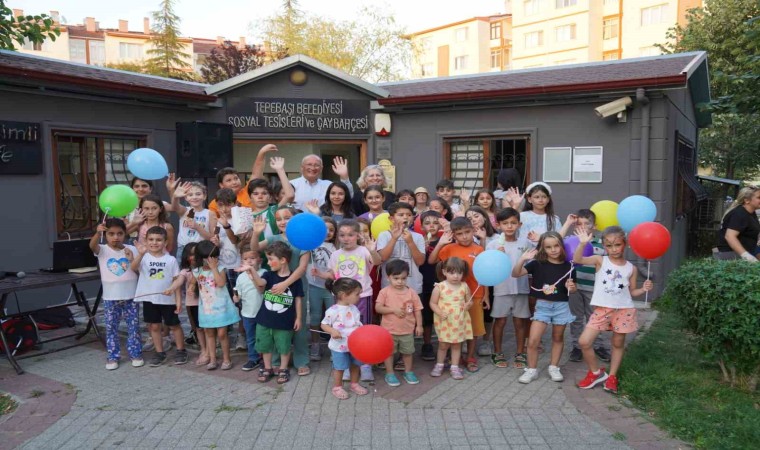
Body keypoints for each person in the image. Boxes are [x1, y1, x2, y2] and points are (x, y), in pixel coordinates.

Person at [574, 226, 654, 394]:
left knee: (617, 344)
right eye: (609, 245)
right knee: (584, 341)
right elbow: (578, 259)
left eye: (617, 244)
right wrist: (582, 244)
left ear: (624, 244)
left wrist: (644, 289)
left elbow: (631, 292)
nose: (613, 249)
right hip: (602, 309)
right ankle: (596, 373)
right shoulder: (600, 260)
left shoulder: (631, 268)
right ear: (604, 245)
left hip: (623, 310)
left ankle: (612, 377)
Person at [315, 219, 381, 381]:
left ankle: (365, 364)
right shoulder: (336, 254)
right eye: (342, 235)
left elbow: (378, 262)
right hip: (341, 301)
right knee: (342, 330)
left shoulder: (364, 251)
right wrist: (320, 274)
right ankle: (346, 364)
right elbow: (333, 274)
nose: (346, 238)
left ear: (357, 235)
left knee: (362, 330)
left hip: (362, 296)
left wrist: (372, 250)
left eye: (351, 235)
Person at [250, 206, 312, 376]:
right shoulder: (273, 238)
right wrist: (256, 233)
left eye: (287, 217)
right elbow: (255, 248)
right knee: (275, 323)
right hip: (276, 289)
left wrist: (286, 283)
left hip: (295, 287)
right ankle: (276, 361)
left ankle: (301, 360)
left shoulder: (302, 240)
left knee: (297, 325)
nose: (283, 222)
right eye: (279, 219)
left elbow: (302, 268)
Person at [512, 231, 577, 384]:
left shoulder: (570, 266)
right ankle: (532, 370)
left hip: (561, 306)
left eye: (556, 246)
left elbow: (573, 289)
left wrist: (572, 287)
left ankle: (554, 367)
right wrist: (522, 259)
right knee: (533, 340)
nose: (553, 250)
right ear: (543, 248)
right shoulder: (537, 264)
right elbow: (515, 274)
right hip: (542, 307)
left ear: (562, 246)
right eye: (548, 247)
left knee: (558, 337)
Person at [428, 217, 488, 373]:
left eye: (467, 232)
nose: (464, 236)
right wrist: (441, 243)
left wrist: (486, 295)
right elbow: (432, 260)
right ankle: (452, 358)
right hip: (450, 298)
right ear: (454, 235)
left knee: (472, 329)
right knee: (453, 327)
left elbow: (486, 272)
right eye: (460, 234)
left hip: (474, 294)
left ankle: (470, 357)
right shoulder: (448, 248)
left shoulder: (479, 250)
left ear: (473, 231)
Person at [90, 218, 142, 370]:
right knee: (111, 327)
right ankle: (113, 356)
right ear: (105, 234)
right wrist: (96, 233)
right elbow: (92, 246)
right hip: (110, 297)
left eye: (119, 233)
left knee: (134, 327)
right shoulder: (103, 249)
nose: (115, 237)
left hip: (131, 296)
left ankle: (136, 353)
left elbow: (138, 271)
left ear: (125, 234)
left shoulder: (132, 249)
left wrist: (132, 259)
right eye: (111, 234)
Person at [130, 226, 187, 367]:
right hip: (150, 300)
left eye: (158, 240)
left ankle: (181, 350)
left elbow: (176, 281)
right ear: (146, 241)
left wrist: (178, 301)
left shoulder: (171, 260)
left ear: (165, 242)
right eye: (151, 239)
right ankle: (159, 352)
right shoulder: (143, 257)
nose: (154, 243)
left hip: (168, 300)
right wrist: (141, 254)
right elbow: (133, 267)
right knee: (154, 326)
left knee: (174, 325)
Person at [253, 241, 305, 384]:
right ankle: (267, 368)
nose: (268, 263)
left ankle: (283, 369)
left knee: (284, 346)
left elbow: (298, 300)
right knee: (265, 345)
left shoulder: (294, 279)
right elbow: (261, 284)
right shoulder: (268, 275)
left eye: (271, 259)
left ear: (283, 260)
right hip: (265, 319)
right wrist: (251, 271)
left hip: (285, 322)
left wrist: (299, 318)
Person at [487, 208, 531, 369]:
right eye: (505, 223)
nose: (510, 226)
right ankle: (497, 351)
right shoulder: (493, 244)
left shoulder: (525, 243)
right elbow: (488, 267)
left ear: (519, 224)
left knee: (520, 322)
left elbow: (533, 262)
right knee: (500, 321)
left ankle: (520, 352)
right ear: (498, 225)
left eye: (513, 223)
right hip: (501, 289)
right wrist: (497, 256)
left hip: (521, 288)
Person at [568, 209, 610, 363]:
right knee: (576, 318)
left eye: (587, 223)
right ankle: (576, 347)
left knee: (595, 318)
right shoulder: (570, 242)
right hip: (575, 287)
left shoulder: (601, 245)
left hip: (595, 289)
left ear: (594, 226)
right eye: (579, 224)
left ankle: (598, 345)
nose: (583, 226)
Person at [192, 240, 240, 370]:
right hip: (207, 309)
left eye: (214, 257)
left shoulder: (220, 269)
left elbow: (221, 283)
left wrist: (213, 268)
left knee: (222, 334)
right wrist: (191, 288)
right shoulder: (196, 271)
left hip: (222, 308)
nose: (211, 261)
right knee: (209, 333)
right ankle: (213, 359)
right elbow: (193, 284)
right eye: (207, 258)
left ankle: (226, 359)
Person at [376, 259, 424, 387]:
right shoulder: (384, 292)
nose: (399, 281)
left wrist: (419, 325)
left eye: (403, 278)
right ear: (388, 277)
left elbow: (418, 310)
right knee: (388, 353)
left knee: (408, 352)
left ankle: (408, 371)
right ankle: (390, 373)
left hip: (407, 330)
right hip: (389, 330)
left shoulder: (411, 293)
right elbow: (378, 308)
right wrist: (393, 310)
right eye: (396, 278)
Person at [321, 278, 368, 400]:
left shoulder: (354, 309)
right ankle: (337, 387)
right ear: (343, 295)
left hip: (355, 345)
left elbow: (357, 324)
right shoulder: (333, 310)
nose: (359, 296)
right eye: (357, 294)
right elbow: (324, 324)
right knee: (340, 367)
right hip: (339, 346)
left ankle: (354, 384)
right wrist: (332, 331)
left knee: (355, 365)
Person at [429, 257, 473, 380]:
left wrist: (468, 305)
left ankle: (454, 366)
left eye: (459, 273)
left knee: (457, 345)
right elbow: (432, 303)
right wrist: (439, 312)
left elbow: (470, 301)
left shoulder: (464, 286)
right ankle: (439, 364)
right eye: (452, 272)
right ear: (444, 272)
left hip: (459, 321)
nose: (456, 276)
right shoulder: (440, 287)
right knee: (443, 344)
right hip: (445, 320)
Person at [208, 143, 280, 216]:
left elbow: (256, 174)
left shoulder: (248, 191)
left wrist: (262, 153)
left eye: (236, 178)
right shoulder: (215, 204)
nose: (234, 182)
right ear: (221, 185)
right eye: (229, 180)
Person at [306, 217, 337, 361]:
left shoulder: (337, 247)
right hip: (314, 286)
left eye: (331, 230)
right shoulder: (311, 244)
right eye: (324, 229)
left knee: (334, 318)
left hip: (332, 287)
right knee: (315, 316)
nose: (328, 232)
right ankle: (315, 344)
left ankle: (335, 345)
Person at [377, 202, 426, 293]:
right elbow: (383, 257)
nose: (405, 217)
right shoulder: (384, 235)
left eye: (409, 215)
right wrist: (394, 238)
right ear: (391, 218)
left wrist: (410, 242)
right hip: (389, 288)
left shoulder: (418, 237)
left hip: (413, 287)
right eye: (401, 215)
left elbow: (420, 261)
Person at [233, 243, 266, 372]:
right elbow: (239, 293)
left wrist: (252, 275)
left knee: (263, 337)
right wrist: (236, 297)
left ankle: (265, 359)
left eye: (252, 258)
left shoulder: (264, 273)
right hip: (247, 313)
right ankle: (253, 358)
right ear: (242, 261)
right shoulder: (240, 277)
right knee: (251, 337)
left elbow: (261, 290)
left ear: (260, 260)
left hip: (263, 313)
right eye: (246, 259)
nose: (249, 261)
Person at [418, 210, 443, 361]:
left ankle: (443, 344)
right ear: (421, 226)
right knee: (426, 316)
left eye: (435, 222)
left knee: (441, 314)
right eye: (427, 223)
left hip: (441, 283)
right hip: (424, 283)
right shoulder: (418, 241)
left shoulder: (445, 240)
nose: (431, 226)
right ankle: (427, 344)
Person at [177, 242, 207, 365]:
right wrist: (171, 288)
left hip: (207, 303)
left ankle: (210, 350)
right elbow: (179, 281)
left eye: (196, 254)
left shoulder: (205, 269)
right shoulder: (185, 271)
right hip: (192, 304)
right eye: (190, 254)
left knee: (208, 328)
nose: (193, 257)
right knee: (198, 329)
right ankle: (204, 350)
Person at [289, 154, 353, 211]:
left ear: (321, 168)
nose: (313, 168)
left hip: (325, 222)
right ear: (302, 167)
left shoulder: (328, 185)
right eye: (309, 164)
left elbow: (348, 196)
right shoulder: (291, 185)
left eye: (316, 165)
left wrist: (344, 176)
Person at [171, 182, 215, 262]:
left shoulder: (210, 213)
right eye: (190, 195)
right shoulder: (184, 210)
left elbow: (212, 237)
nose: (194, 197)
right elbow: (174, 207)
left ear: (204, 196)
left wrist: (197, 227)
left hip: (201, 248)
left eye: (198, 194)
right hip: (184, 248)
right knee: (183, 272)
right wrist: (175, 197)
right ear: (186, 198)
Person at [714, 185, 760, 262]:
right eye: (759, 197)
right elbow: (730, 236)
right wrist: (746, 256)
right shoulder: (739, 214)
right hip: (730, 254)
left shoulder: (751, 213)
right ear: (747, 200)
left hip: (750, 249)